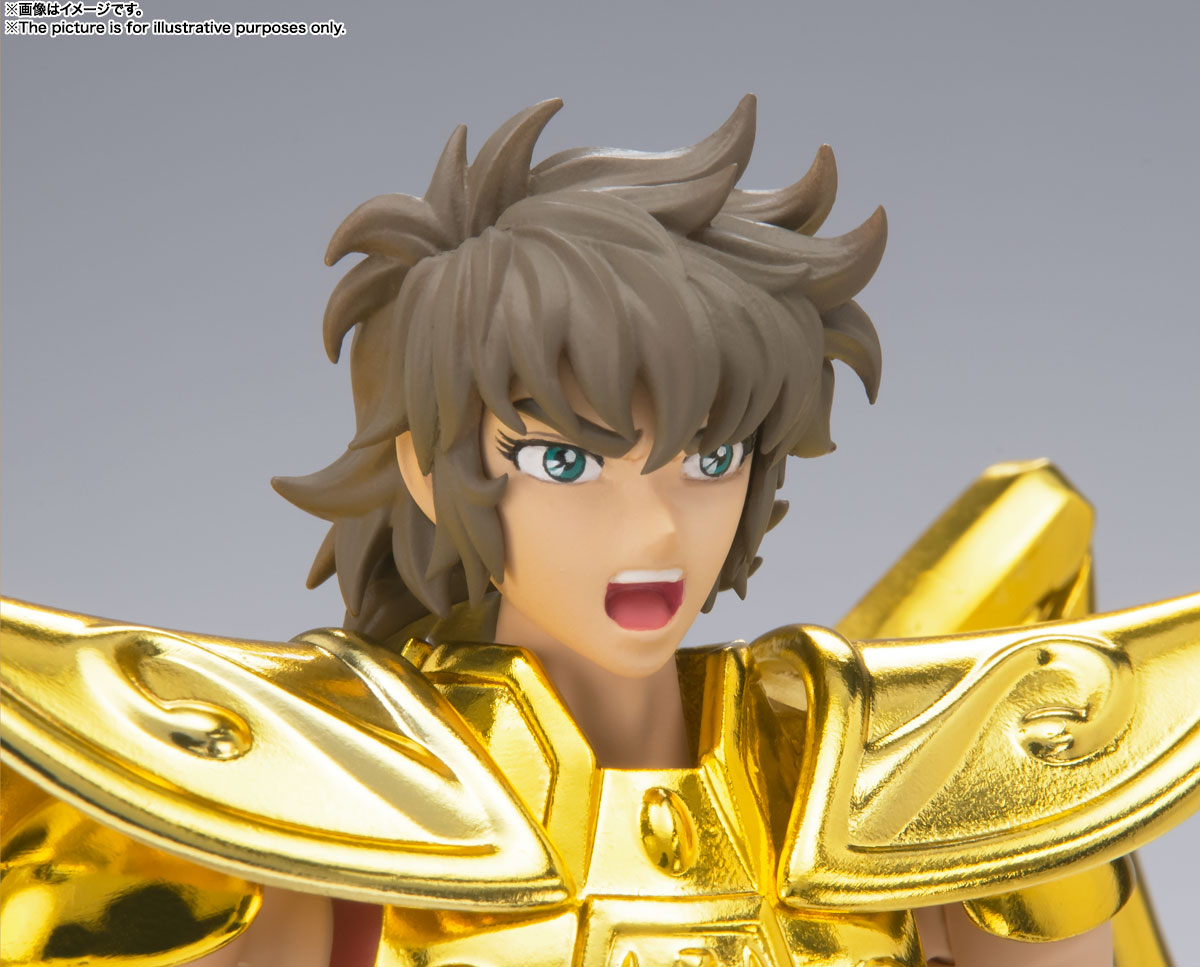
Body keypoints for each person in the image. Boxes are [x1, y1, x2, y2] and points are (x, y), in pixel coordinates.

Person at [3, 97, 1195, 967]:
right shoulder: (321, 814)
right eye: (564, 461)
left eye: (709, 458)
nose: (654, 525)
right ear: (429, 472)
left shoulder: (897, 781)